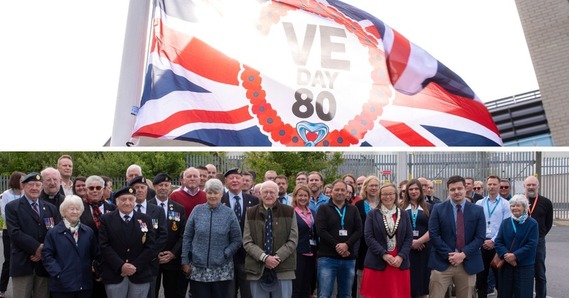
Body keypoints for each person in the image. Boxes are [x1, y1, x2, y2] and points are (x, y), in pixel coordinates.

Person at [182, 178, 242, 298]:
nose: (213, 196)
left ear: (221, 194)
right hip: (198, 268)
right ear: (206, 193)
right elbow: (187, 237)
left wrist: (226, 253)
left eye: (216, 193)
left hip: (222, 269)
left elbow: (237, 240)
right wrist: (185, 261)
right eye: (210, 193)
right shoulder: (197, 210)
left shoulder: (229, 213)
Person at [428, 175, 486, 298]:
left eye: (459, 188)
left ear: (466, 189)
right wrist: (450, 255)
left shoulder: (478, 210)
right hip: (442, 262)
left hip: (467, 262)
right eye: (452, 189)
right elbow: (434, 234)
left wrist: (462, 254)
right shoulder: (438, 209)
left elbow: (480, 237)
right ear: (448, 191)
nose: (456, 192)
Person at [5, 172, 61, 298]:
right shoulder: (12, 207)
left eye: (38, 185)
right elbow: (14, 233)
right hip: (23, 263)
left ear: (41, 187)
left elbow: (56, 233)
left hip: (44, 264)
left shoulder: (51, 208)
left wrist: (44, 250)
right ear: (23, 186)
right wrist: (37, 248)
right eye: (31, 184)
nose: (34, 188)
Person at [243, 180, 298, 298]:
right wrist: (265, 258)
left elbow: (293, 240)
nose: (268, 195)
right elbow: (247, 241)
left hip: (283, 268)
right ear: (260, 194)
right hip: (257, 268)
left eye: (272, 192)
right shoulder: (250, 212)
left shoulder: (289, 211)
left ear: (278, 194)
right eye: (265, 192)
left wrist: (276, 259)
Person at [98, 186, 156, 298]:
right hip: (115, 274)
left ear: (135, 201)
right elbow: (104, 245)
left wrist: (135, 266)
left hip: (139, 274)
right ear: (117, 202)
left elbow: (150, 246)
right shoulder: (106, 219)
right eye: (123, 200)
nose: (127, 203)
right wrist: (121, 266)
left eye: (130, 199)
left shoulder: (145, 219)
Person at [360, 183, 413, 297]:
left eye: (390, 194)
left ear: (396, 195)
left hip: (399, 263)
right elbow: (369, 237)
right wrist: (384, 255)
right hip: (378, 261)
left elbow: (409, 237)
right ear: (380, 196)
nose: (387, 197)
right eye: (384, 194)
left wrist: (401, 256)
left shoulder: (403, 214)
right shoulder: (372, 214)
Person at [42, 195, 100, 298]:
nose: (75, 211)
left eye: (78, 209)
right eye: (71, 208)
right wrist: (58, 273)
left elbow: (95, 254)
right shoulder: (54, 233)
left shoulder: (88, 232)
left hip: (84, 284)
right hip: (62, 286)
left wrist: (95, 270)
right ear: (63, 211)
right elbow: (47, 256)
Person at [315, 179, 362, 298]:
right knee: (325, 294)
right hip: (327, 258)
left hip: (348, 258)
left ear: (347, 192)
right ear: (331, 192)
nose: (339, 192)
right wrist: (338, 245)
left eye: (342, 190)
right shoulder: (323, 209)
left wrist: (346, 244)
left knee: (346, 294)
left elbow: (359, 230)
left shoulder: (353, 209)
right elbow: (321, 231)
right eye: (337, 189)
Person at [221, 168, 260, 298]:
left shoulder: (253, 201)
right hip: (226, 255)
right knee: (227, 293)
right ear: (226, 181)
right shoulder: (220, 199)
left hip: (247, 256)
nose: (235, 180)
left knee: (248, 292)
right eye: (231, 178)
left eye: (237, 178)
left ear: (243, 181)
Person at [128, 176, 168, 298]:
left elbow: (163, 235)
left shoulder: (157, 210)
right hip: (130, 262)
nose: (139, 190)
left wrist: (147, 255)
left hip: (150, 263)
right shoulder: (125, 209)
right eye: (136, 188)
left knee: (151, 294)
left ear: (147, 190)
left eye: (142, 187)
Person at [148, 173, 186, 298]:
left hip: (172, 259)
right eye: (160, 185)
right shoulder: (147, 207)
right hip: (153, 259)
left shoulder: (178, 208)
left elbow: (183, 234)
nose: (163, 188)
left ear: (170, 187)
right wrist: (154, 253)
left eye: (166, 185)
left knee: (173, 293)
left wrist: (173, 253)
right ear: (154, 187)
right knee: (151, 293)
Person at [494, 195, 539, 298]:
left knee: (523, 293)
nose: (515, 208)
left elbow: (532, 244)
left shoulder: (532, 223)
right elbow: (498, 241)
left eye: (518, 205)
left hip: (524, 266)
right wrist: (506, 255)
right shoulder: (505, 222)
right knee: (505, 293)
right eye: (512, 206)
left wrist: (515, 256)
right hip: (506, 264)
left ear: (524, 207)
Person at [475, 175, 512, 298]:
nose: (492, 187)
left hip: (497, 244)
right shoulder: (479, 203)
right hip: (481, 244)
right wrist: (481, 240)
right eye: (489, 184)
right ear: (486, 186)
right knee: (481, 278)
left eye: (494, 184)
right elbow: (476, 223)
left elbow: (505, 225)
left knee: (499, 278)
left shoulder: (506, 204)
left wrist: (493, 240)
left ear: (499, 186)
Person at [80, 175, 116, 297]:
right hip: (87, 258)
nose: (95, 190)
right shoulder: (79, 209)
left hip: (108, 259)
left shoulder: (113, 208)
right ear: (86, 190)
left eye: (98, 187)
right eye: (91, 188)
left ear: (103, 189)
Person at [524, 175, 553, 298]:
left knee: (540, 273)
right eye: (528, 185)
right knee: (523, 272)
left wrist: (539, 236)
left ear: (538, 186)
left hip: (538, 242)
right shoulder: (518, 201)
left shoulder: (546, 202)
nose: (531, 187)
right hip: (521, 242)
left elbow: (548, 223)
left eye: (533, 185)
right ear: (524, 186)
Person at [401, 179, 431, 298]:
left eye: (416, 189)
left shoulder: (430, 208)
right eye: (411, 189)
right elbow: (397, 228)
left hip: (424, 249)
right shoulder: (400, 208)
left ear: (421, 190)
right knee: (408, 283)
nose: (414, 192)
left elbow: (433, 229)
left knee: (422, 284)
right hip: (406, 251)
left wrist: (419, 241)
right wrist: (410, 243)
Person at [0, 171, 25, 298]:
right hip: (9, 231)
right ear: (15, 181)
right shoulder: (6, 195)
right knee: (8, 260)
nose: (24, 183)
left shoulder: (25, 194)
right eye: (22, 181)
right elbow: (4, 213)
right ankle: (2, 289)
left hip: (23, 230)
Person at [354, 175, 380, 296]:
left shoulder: (383, 204)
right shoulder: (358, 205)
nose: (374, 188)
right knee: (362, 280)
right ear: (365, 187)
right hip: (363, 247)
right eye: (371, 185)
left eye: (376, 185)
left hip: (381, 246)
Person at [291, 184, 317, 298]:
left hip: (311, 253)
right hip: (298, 253)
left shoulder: (312, 212)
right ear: (295, 196)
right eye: (300, 195)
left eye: (305, 195)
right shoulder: (291, 212)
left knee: (307, 286)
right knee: (297, 286)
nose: (303, 198)